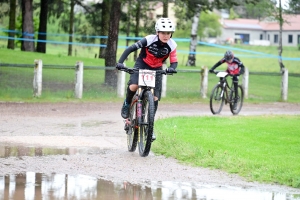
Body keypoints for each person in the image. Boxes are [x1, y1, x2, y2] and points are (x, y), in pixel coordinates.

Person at [115, 18, 178, 141]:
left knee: (154, 98)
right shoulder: (149, 39)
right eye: (163, 32)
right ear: (157, 32)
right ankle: (127, 103)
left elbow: (174, 62)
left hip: (157, 69)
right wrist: (120, 62)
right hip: (142, 64)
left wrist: (172, 68)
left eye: (168, 33)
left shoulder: (172, 45)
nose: (166, 36)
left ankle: (150, 127)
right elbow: (130, 49)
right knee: (133, 86)